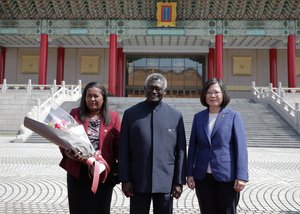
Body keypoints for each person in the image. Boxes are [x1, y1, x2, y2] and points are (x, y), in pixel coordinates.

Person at [118, 73, 187, 214]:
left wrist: (179, 181)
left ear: (164, 91)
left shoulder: (175, 116)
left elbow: (180, 151)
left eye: (158, 88)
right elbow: (123, 149)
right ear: (145, 88)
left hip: (165, 182)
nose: (154, 91)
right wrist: (125, 179)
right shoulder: (130, 114)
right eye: (151, 87)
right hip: (138, 181)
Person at [187, 78, 248, 214]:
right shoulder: (199, 117)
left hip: (227, 176)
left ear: (223, 94)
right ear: (204, 95)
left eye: (216, 92)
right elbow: (192, 147)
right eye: (209, 92)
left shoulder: (233, 116)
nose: (212, 96)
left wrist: (242, 176)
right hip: (202, 177)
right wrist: (190, 173)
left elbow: (241, 148)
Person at [59, 82, 120, 214]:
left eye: (95, 96)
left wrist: (118, 172)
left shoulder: (113, 117)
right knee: (78, 208)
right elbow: (64, 139)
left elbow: (119, 146)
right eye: (88, 96)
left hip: (102, 173)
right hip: (78, 172)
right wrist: (68, 153)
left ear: (103, 98)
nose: (92, 99)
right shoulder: (75, 114)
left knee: (101, 209)